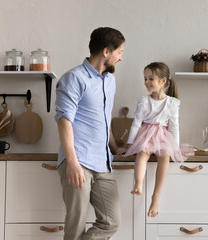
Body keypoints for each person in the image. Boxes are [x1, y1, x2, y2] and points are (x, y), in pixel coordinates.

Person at [54, 27, 125, 240]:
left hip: (103, 162)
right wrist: (72, 162)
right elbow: (64, 121)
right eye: (119, 52)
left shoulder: (110, 80)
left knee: (112, 221)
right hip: (79, 161)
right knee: (76, 225)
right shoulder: (73, 78)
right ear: (106, 51)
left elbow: (103, 120)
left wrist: (115, 147)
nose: (121, 57)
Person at [122, 62, 192, 218]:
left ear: (163, 81)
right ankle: (138, 184)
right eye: (145, 79)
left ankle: (156, 197)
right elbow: (136, 123)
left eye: (150, 79)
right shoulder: (144, 101)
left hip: (162, 136)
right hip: (145, 134)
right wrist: (130, 143)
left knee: (164, 157)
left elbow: (174, 126)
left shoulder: (172, 103)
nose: (146, 82)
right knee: (142, 153)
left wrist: (175, 146)